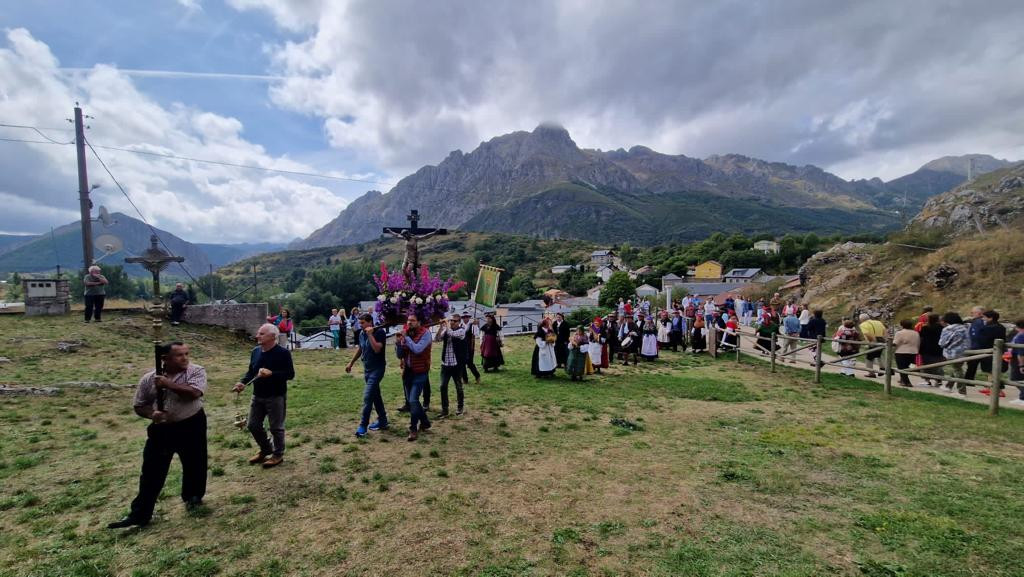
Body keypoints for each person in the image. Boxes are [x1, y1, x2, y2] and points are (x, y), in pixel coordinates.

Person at [107, 342, 207, 529]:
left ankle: (193, 496)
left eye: (187, 353)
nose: (185, 358)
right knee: (152, 470)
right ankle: (140, 513)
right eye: (179, 355)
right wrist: (152, 414)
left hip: (191, 424)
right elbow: (139, 405)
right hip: (162, 429)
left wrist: (168, 384)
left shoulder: (196, 371)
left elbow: (193, 393)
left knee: (195, 462)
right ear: (165, 359)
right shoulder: (148, 379)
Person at [233, 323, 295, 468]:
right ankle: (266, 449)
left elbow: (290, 374)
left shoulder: (283, 353)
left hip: (276, 396)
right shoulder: (255, 351)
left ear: (273, 336)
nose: (257, 336)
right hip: (257, 395)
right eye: (258, 333)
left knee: (276, 428)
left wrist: (272, 373)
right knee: (253, 425)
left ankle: (278, 454)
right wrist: (242, 383)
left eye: (261, 334)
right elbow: (251, 372)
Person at [345, 313, 388, 437]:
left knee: (368, 396)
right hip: (367, 369)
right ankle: (383, 421)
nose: (360, 325)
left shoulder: (379, 332)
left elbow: (377, 349)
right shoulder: (362, 333)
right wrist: (351, 363)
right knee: (375, 395)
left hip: (378, 369)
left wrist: (370, 335)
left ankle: (363, 426)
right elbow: (361, 349)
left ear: (370, 322)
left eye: (363, 323)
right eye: (360, 322)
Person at [396, 314, 432, 441]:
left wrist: (406, 338)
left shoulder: (426, 333)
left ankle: (413, 429)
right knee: (413, 401)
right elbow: (400, 354)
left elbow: (418, 349)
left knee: (413, 400)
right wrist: (398, 343)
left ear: (419, 322)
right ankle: (425, 422)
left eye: (413, 320)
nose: (409, 322)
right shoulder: (407, 334)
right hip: (408, 372)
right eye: (408, 320)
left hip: (421, 371)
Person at [437, 314, 467, 417]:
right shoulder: (447, 330)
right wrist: (441, 327)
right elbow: (437, 339)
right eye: (451, 320)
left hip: (456, 364)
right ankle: (445, 410)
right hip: (445, 364)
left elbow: (452, 334)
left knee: (458, 386)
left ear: (459, 322)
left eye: (455, 321)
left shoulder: (461, 331)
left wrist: (446, 325)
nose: (452, 322)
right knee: (442, 386)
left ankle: (460, 407)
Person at [971, 310, 1008, 396]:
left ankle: (997, 390)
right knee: (992, 371)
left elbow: (981, 340)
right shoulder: (1001, 327)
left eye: (984, 317)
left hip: (989, 351)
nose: (983, 319)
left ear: (990, 318)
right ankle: (989, 387)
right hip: (999, 351)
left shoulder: (986, 328)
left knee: (991, 371)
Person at [938, 312, 969, 396]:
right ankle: (948, 386)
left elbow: (942, 343)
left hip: (952, 352)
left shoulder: (948, 329)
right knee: (956, 368)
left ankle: (962, 391)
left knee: (957, 370)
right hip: (964, 352)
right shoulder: (965, 327)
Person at [917, 314, 945, 386]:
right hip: (938, 349)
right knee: (938, 365)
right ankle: (939, 380)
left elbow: (921, 337)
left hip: (926, 349)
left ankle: (927, 380)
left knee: (926, 365)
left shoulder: (925, 328)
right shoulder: (942, 328)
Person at [892, 319, 920, 387]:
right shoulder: (916, 333)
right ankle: (903, 379)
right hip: (913, 352)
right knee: (907, 367)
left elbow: (895, 343)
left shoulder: (899, 333)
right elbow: (918, 343)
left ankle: (906, 382)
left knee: (901, 367)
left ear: (902, 325)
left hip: (901, 352)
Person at [858, 313, 886, 378]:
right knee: (879, 355)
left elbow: (867, 334)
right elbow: (884, 330)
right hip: (881, 339)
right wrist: (884, 338)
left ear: (861, 319)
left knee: (869, 358)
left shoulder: (863, 324)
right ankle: (882, 368)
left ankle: (871, 373)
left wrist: (872, 341)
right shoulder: (878, 322)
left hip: (873, 341)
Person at [460, 313, 482, 384]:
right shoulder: (461, 325)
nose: (465, 318)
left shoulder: (473, 325)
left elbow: (477, 334)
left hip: (470, 347)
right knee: (462, 363)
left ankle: (477, 376)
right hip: (462, 346)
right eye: (464, 317)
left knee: (470, 363)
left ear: (469, 318)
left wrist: (475, 325)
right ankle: (465, 379)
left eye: (466, 317)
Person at [1009, 319, 1024, 407]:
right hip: (1017, 358)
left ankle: (1023, 398)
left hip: (1018, 360)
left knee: (1016, 379)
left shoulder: (1021, 336)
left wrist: (1021, 364)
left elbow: (1021, 352)